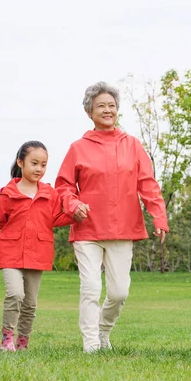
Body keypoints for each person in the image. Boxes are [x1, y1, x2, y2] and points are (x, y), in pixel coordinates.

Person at [55, 81, 169, 353]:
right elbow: (63, 186)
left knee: (119, 293)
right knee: (91, 288)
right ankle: (91, 344)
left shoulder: (132, 145)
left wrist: (159, 217)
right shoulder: (77, 148)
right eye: (101, 106)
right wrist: (73, 205)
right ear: (89, 112)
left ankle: (103, 330)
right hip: (88, 229)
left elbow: (148, 184)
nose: (107, 110)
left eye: (111, 106)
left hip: (123, 228)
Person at [0, 141, 73, 351]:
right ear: (21, 162)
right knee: (15, 294)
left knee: (30, 304)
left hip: (39, 253)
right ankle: (7, 339)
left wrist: (76, 216)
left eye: (43, 165)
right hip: (11, 252)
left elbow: (57, 218)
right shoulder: (8, 193)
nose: (39, 169)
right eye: (34, 163)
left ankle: (23, 342)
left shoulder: (50, 194)